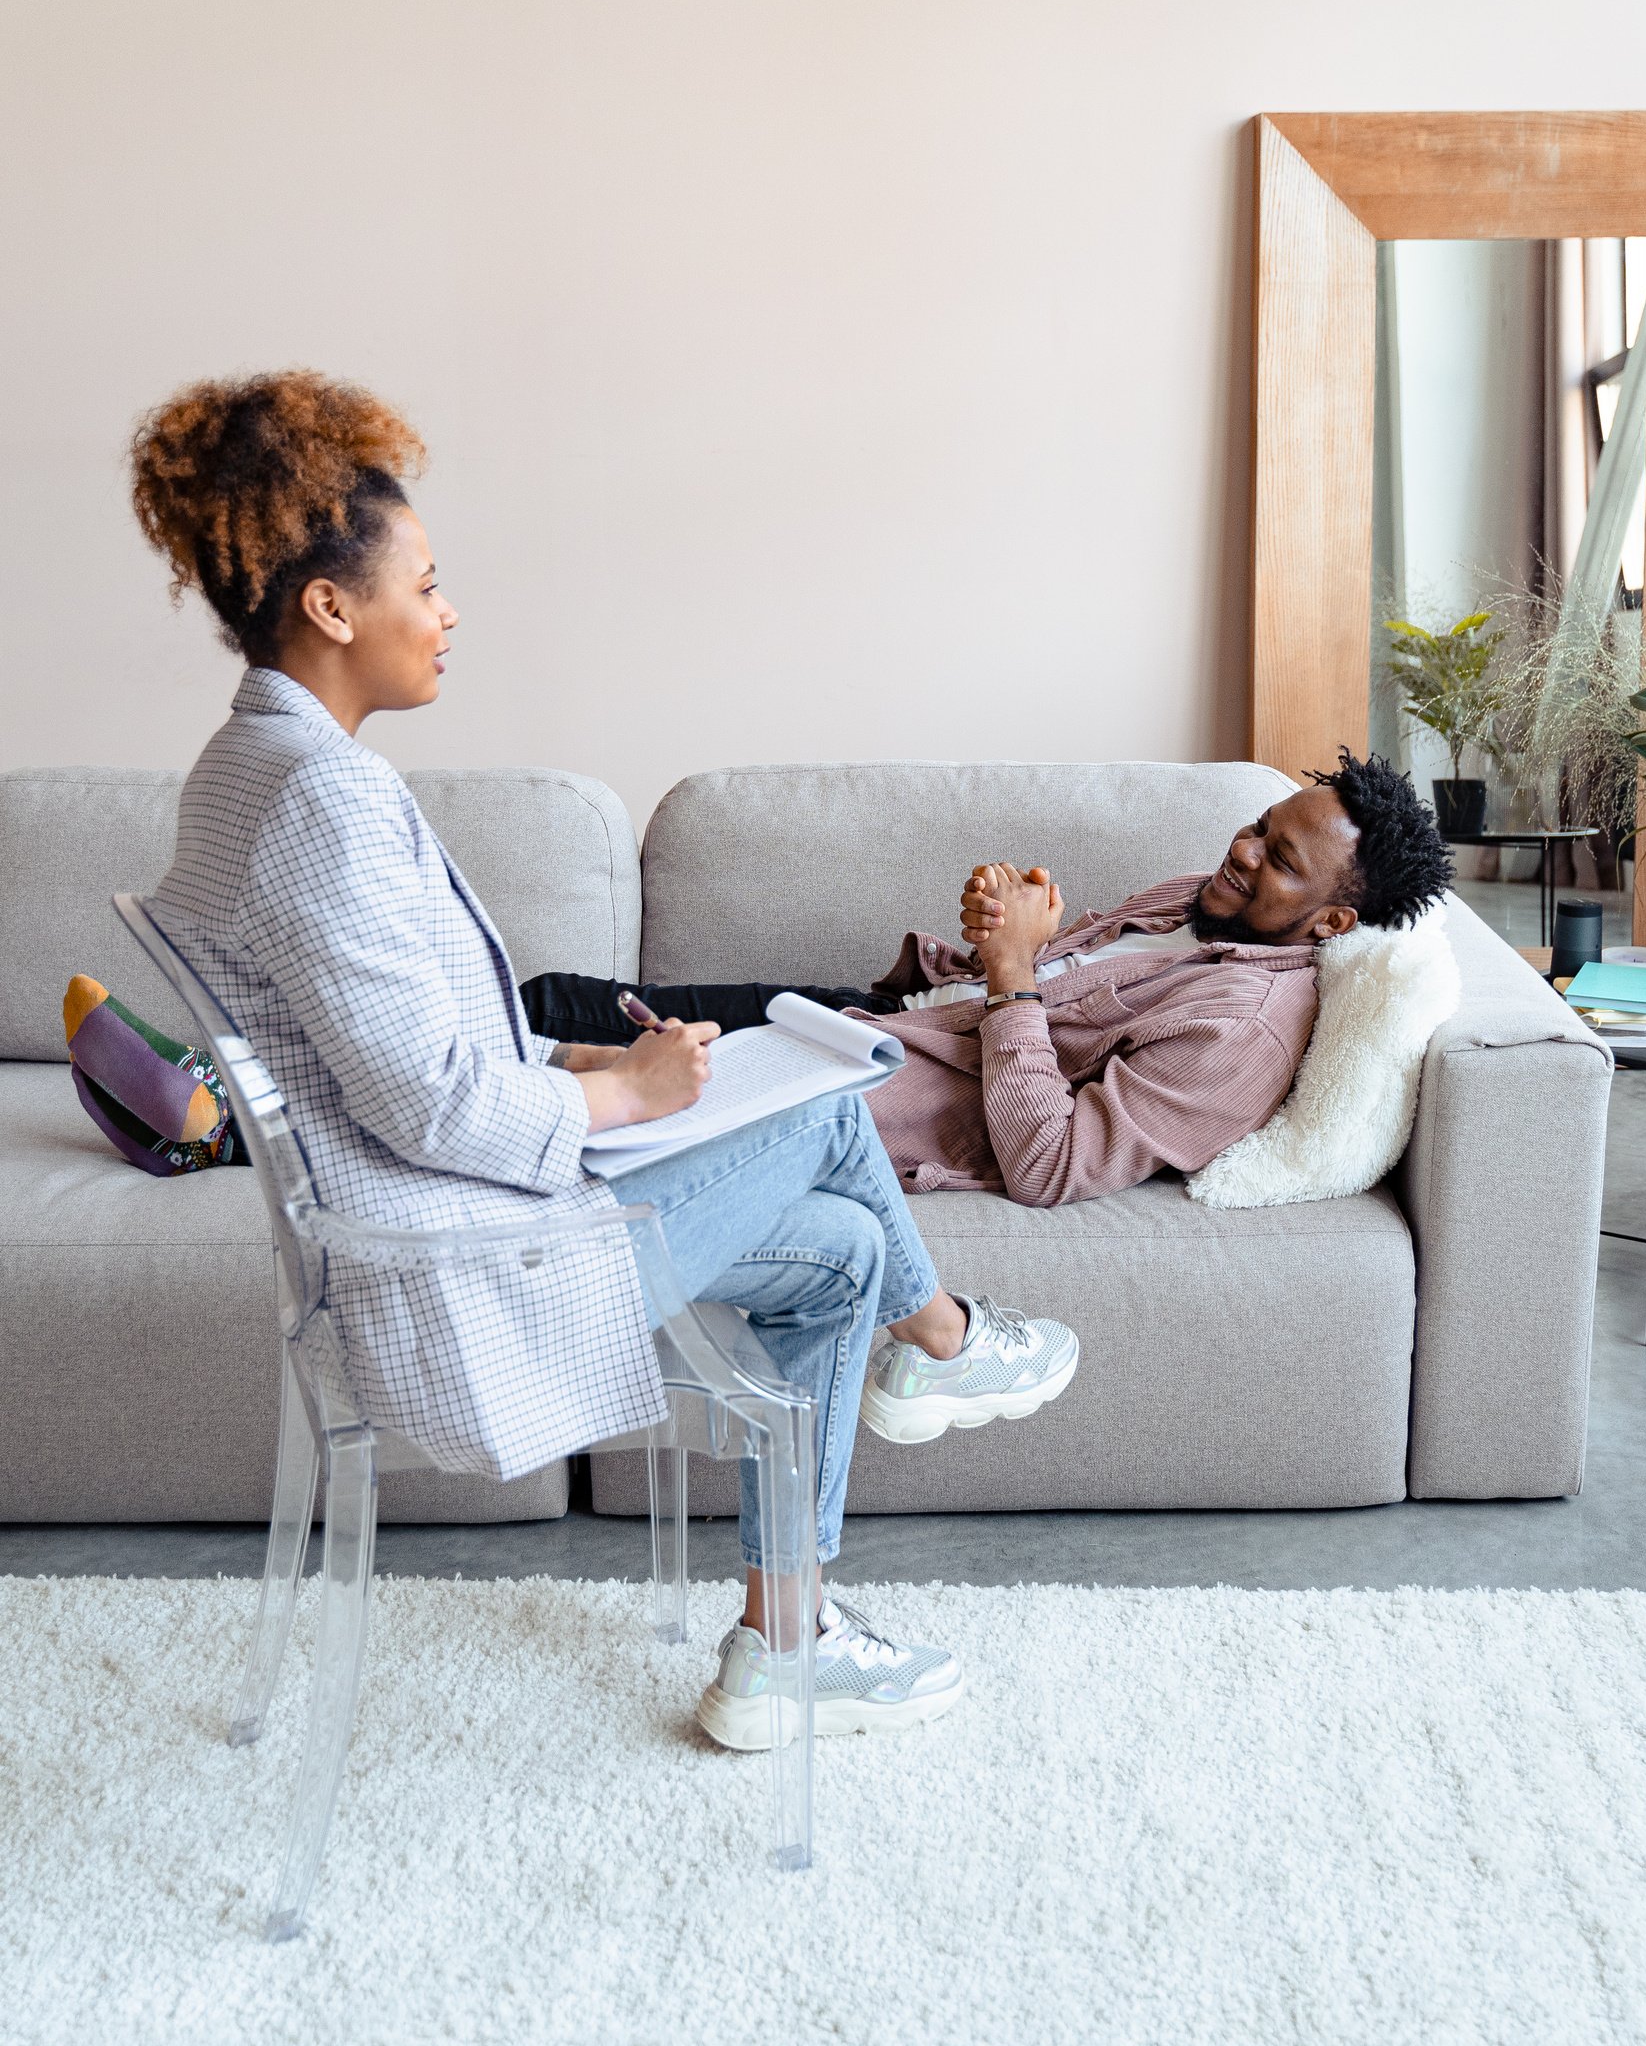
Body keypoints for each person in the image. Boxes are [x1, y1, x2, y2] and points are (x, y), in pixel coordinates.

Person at [130, 372, 1079, 1752]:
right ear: (333, 608)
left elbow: (384, 1042)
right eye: (429, 583)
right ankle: (941, 1347)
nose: (449, 613)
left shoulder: (244, 770)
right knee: (827, 1119)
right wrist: (623, 1095)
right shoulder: (318, 803)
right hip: (454, 1287)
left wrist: (569, 1049)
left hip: (422, 1243)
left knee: (844, 1248)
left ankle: (786, 1636)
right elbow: (425, 1098)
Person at [522, 756, 1455, 1210]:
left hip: (879, 1087)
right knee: (554, 1000)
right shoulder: (1203, 904)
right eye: (1258, 826)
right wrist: (998, 935)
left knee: (552, 1027)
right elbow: (1050, 982)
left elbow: (1055, 1166)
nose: (1243, 850)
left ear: (1334, 921)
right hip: (876, 1020)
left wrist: (1014, 981)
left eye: (1281, 859)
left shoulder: (1242, 1034)